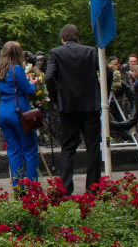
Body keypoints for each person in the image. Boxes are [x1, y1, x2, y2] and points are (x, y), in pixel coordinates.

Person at [44, 25, 100, 195]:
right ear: (77, 37)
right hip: (90, 105)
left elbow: (48, 77)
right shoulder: (91, 51)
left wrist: (55, 100)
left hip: (67, 107)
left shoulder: (56, 53)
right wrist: (100, 94)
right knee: (93, 147)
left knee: (68, 148)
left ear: (62, 38)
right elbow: (108, 73)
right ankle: (93, 188)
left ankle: (66, 189)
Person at [0, 41, 39, 186]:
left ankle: (18, 188)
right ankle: (33, 188)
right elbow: (28, 91)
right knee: (30, 149)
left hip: (3, 112)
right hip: (18, 112)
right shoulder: (17, 69)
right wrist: (33, 84)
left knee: (13, 151)